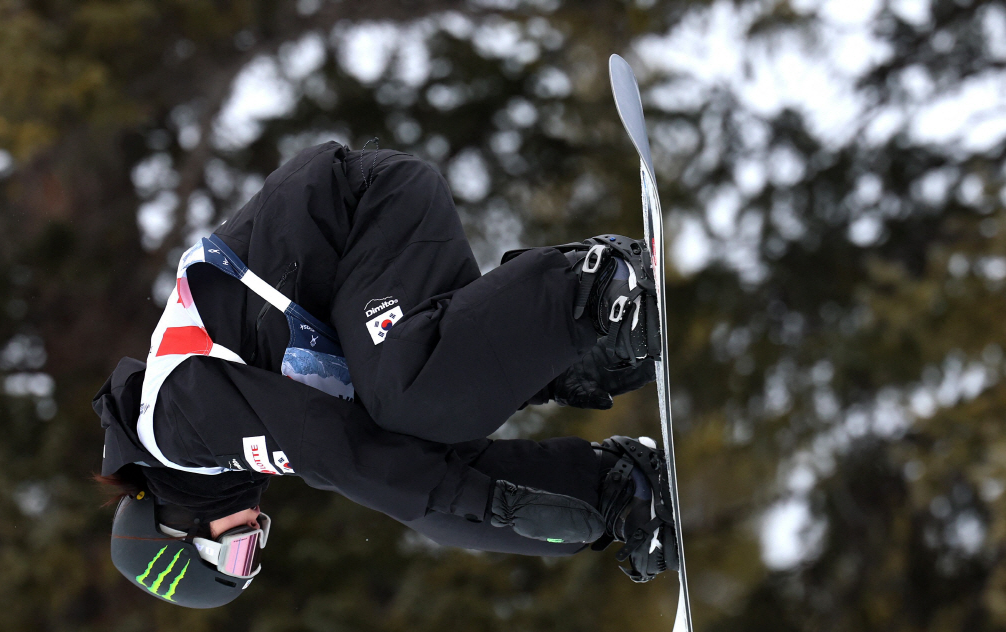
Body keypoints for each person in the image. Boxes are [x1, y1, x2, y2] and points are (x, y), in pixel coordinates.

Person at [93, 141, 677, 608]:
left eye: (239, 549)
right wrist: (481, 502)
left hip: (362, 207)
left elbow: (330, 446)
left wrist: (487, 502)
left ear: (179, 527)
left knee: (411, 421)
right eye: (257, 551)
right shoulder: (220, 456)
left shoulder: (174, 427)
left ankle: (594, 286)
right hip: (367, 285)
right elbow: (364, 449)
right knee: (427, 484)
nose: (259, 530)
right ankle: (618, 494)